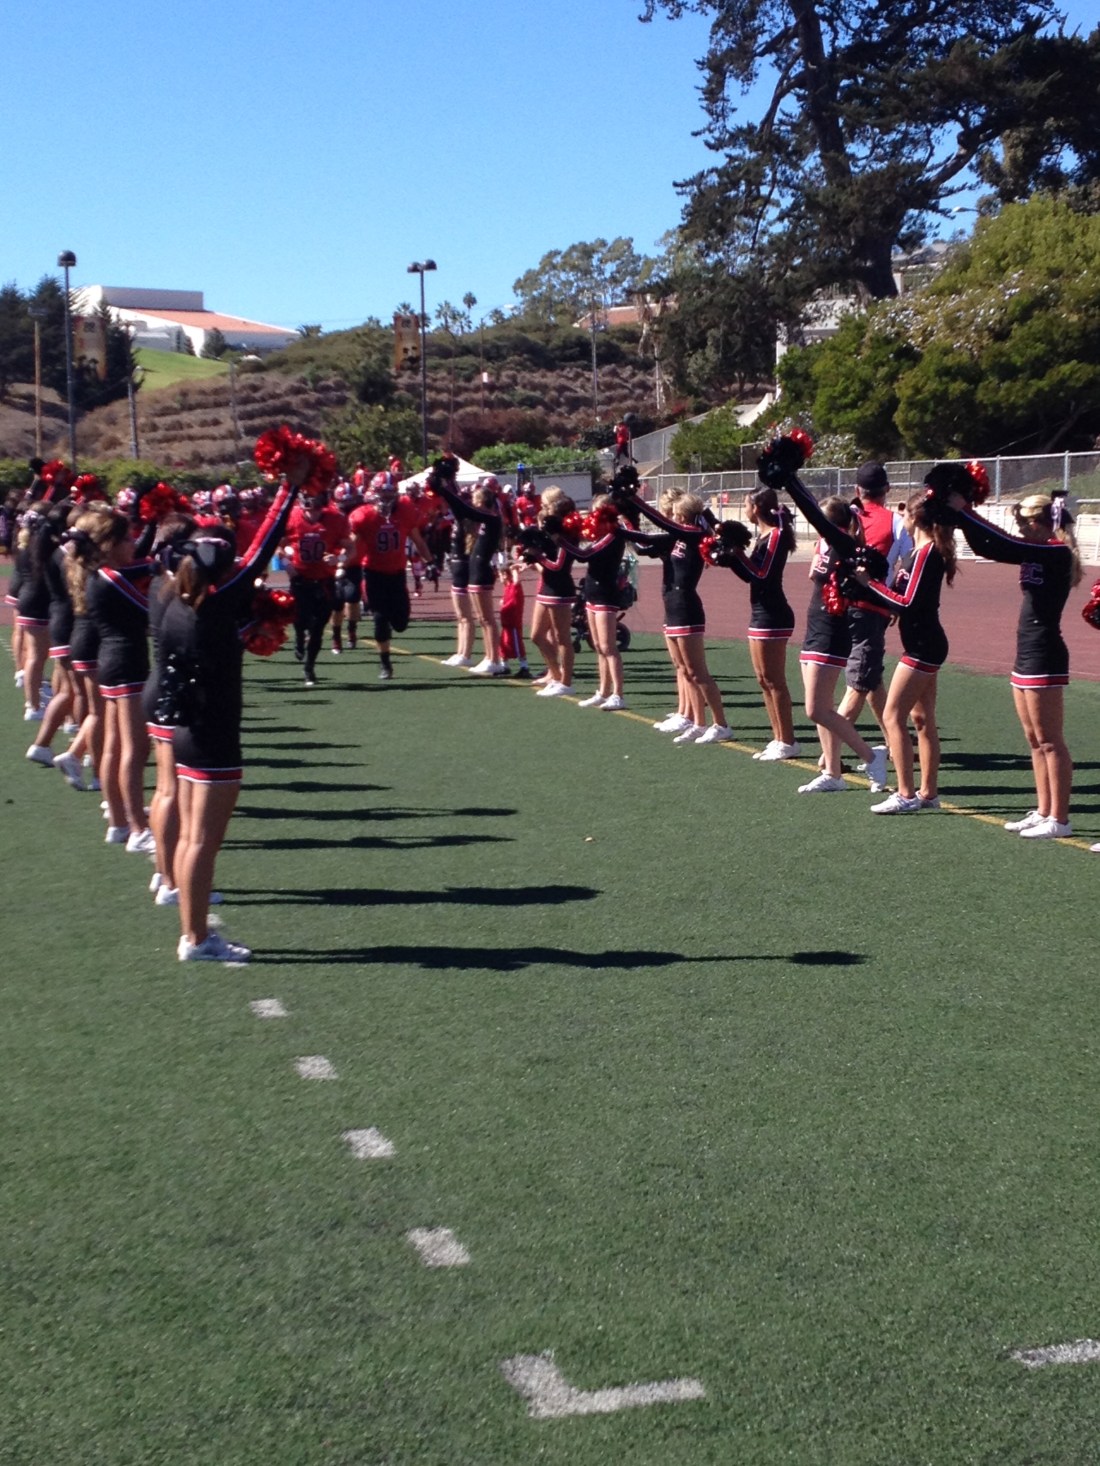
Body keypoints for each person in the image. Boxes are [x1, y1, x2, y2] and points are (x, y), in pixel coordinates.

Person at [160, 471, 301, 961]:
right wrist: (290, 488)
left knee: (190, 838)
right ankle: (198, 939)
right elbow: (263, 550)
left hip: (185, 729)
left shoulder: (175, 605)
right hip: (212, 734)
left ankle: (193, 933)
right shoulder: (214, 608)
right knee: (202, 841)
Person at [949, 486, 1080, 839]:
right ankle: (1043, 810)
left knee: (1050, 740)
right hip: (1026, 651)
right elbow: (988, 547)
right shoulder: (1035, 549)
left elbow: (1005, 543)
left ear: (1041, 523)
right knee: (1034, 739)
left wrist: (965, 511)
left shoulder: (1056, 552)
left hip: (1045, 653)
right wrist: (960, 519)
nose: (1020, 530)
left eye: (1025, 523)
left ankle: (1060, 819)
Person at [849, 486, 957, 814]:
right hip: (922, 642)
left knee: (892, 715)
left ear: (915, 518)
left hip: (923, 645)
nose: (902, 519)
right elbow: (904, 596)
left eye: (905, 513)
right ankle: (928, 793)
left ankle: (906, 793)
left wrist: (870, 585)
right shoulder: (917, 552)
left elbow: (908, 602)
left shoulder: (926, 553)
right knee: (922, 718)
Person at [779, 475, 889, 795]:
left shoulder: (845, 544)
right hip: (814, 624)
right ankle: (833, 772)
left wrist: (791, 479)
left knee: (815, 708)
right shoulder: (825, 544)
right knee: (822, 709)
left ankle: (872, 756)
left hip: (832, 629)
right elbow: (814, 576)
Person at [627, 488, 733, 743]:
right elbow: (644, 542)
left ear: (683, 515)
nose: (671, 517)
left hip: (687, 608)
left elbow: (656, 529)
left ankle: (721, 724)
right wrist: (620, 525)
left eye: (675, 514)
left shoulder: (694, 534)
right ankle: (698, 722)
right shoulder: (678, 537)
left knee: (698, 672)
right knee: (685, 670)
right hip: (673, 608)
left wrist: (633, 502)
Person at [720, 485, 799, 758]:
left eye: (746, 504)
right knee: (763, 680)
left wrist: (738, 553)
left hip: (774, 614)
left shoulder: (775, 535)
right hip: (759, 613)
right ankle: (778, 738)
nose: (744, 509)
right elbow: (749, 576)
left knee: (775, 680)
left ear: (756, 507)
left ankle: (788, 741)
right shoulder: (762, 537)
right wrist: (728, 558)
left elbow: (763, 574)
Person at [347, 472, 432, 681]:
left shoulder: (405, 510)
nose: (386, 497)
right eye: (382, 493)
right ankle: (385, 662)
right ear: (374, 493)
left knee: (401, 624)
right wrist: (339, 563)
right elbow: (350, 545)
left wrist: (430, 562)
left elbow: (418, 540)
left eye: (390, 493)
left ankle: (388, 640)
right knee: (380, 620)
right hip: (373, 574)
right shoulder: (363, 516)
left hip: (397, 574)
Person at [429, 467, 507, 675]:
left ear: (484, 502)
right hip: (475, 570)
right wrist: (444, 486)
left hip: (482, 571)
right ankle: (489, 657)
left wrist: (445, 490)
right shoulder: (483, 520)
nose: (473, 503)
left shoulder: (492, 518)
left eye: (476, 500)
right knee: (482, 619)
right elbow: (462, 511)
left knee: (487, 619)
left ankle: (494, 659)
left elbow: (466, 511)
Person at [840, 463, 895, 740]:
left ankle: (893, 738)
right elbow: (906, 564)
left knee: (871, 676)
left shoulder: (844, 518)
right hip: (873, 605)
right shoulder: (894, 521)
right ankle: (830, 751)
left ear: (857, 490)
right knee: (860, 682)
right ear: (887, 489)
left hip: (839, 603)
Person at [281, 484, 347, 687]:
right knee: (300, 619)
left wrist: (339, 559)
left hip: (324, 580)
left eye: (317, 507)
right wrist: (286, 563)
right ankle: (299, 637)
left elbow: (350, 547)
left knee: (318, 627)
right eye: (310, 507)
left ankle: (309, 668)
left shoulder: (335, 519)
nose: (314, 513)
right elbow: (278, 544)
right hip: (300, 579)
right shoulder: (292, 517)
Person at [522, 488, 578, 697]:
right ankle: (555, 675)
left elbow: (558, 566)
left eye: (550, 511)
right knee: (536, 635)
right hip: (546, 587)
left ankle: (566, 682)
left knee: (562, 637)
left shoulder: (567, 537)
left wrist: (538, 557)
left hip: (560, 589)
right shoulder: (550, 534)